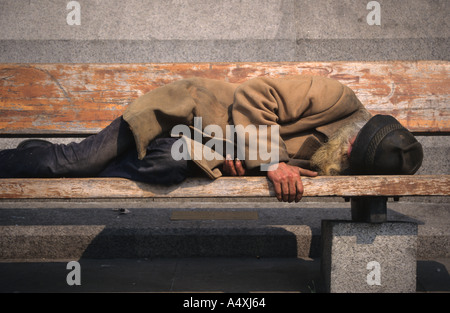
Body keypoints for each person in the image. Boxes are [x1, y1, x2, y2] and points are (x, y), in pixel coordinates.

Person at [0, 76, 423, 202]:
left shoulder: (340, 159)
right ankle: (33, 156)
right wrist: (269, 162)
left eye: (355, 157)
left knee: (162, 168)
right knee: (70, 165)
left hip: (199, 149)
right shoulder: (336, 98)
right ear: (362, 127)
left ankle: (41, 155)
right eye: (354, 142)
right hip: (180, 113)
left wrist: (248, 163)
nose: (348, 151)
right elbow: (258, 94)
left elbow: (259, 160)